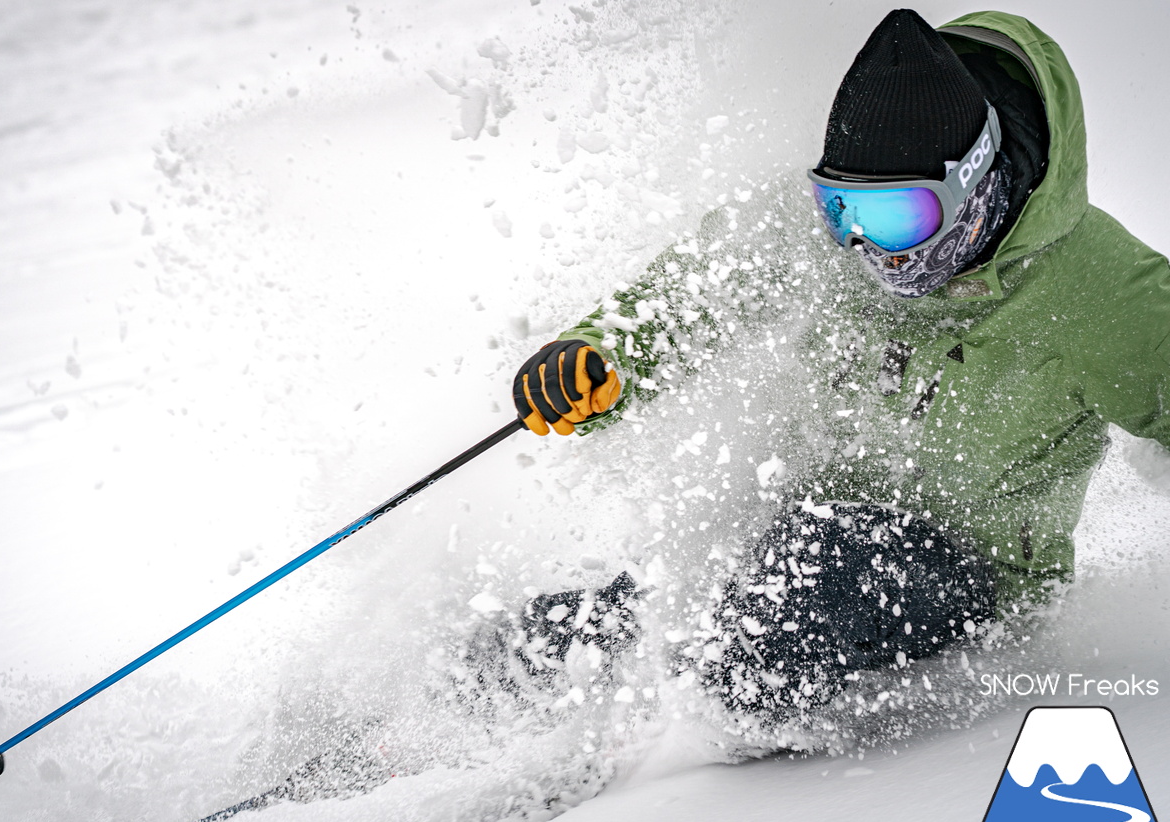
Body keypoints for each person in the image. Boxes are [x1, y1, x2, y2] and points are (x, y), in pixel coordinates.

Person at [484, 9, 1170, 726]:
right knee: (606, 622)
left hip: (972, 581)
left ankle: (679, 754)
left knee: (784, 594)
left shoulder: (1096, 290)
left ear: (973, 180)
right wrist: (604, 357)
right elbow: (693, 294)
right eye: (841, 208)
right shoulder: (825, 240)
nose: (867, 247)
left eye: (899, 217)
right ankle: (461, 707)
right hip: (795, 540)